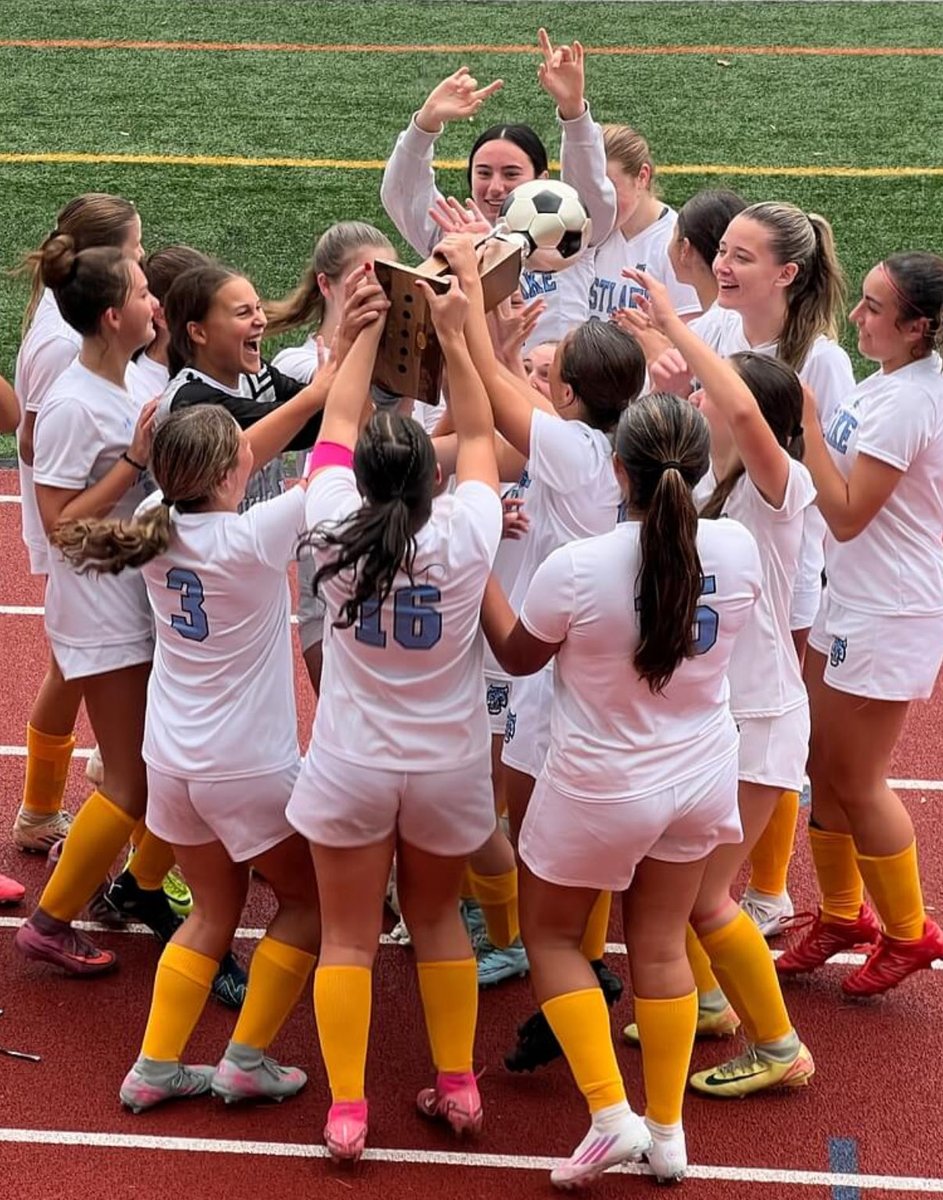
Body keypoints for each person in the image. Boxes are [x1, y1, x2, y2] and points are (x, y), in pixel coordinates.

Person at [483, 389, 761, 1185]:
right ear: (697, 470)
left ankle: (610, 1116)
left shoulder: (577, 566)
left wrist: (479, 565)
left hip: (600, 783)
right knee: (661, 944)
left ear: (616, 470)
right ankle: (667, 1133)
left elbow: (515, 656)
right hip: (701, 771)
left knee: (550, 939)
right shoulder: (738, 546)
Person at [50, 397, 329, 1111]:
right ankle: (245, 1060)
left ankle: (155, 1067)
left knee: (211, 913)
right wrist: (339, 375)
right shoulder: (255, 535)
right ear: (233, 471)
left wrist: (319, 384)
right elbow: (332, 458)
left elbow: (231, 457)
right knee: (307, 905)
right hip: (247, 765)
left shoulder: (155, 519)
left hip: (172, 763)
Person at [285, 243, 502, 1163]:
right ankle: (457, 1083)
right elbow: (481, 434)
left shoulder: (329, 521)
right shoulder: (466, 531)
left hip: (352, 762)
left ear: (363, 481)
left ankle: (347, 1110)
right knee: (441, 921)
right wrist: (458, 330)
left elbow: (337, 421)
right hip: (448, 762)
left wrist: (363, 333)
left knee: (347, 937)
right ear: (430, 479)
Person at [450, 232, 646, 1069]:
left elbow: (482, 389)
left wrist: (466, 290)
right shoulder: (636, 440)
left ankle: (571, 975)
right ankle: (588, 964)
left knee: (540, 854)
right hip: (617, 658)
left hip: (559, 661)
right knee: (589, 843)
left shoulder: (571, 448)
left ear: (565, 393)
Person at [622, 271, 815, 1099]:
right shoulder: (706, 489)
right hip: (719, 721)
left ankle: (779, 1045)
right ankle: (706, 1003)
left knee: (702, 896)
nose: (699, 400)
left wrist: (676, 326)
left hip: (760, 720)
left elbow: (736, 405)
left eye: (708, 394)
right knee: (672, 878)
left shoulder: (778, 491)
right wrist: (661, 364)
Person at [650, 201, 854, 936]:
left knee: (763, 737)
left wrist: (672, 332)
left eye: (741, 256)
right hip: (726, 552)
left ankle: (767, 890)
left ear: (786, 273)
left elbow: (814, 467)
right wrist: (663, 363)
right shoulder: (717, 327)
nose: (722, 267)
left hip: (780, 565)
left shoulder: (821, 363)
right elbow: (693, 409)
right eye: (723, 252)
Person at [777, 252, 943, 994]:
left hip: (887, 610)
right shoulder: (888, 382)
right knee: (819, 762)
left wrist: (808, 424)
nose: (856, 316)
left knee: (857, 779)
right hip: (851, 599)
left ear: (917, 327)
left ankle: (909, 932)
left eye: (874, 308)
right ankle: (844, 915)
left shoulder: (910, 401)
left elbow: (846, 515)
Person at [12, 193, 143, 857]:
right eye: (137, 252)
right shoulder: (66, 348)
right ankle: (56, 813)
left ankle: (46, 804)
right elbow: (32, 439)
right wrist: (129, 463)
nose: (145, 259)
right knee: (76, 663)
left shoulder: (77, 333)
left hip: (97, 534)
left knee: (71, 664)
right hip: (84, 538)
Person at [380, 31, 615, 348]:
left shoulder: (570, 232)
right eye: (483, 173)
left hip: (557, 376)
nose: (495, 187)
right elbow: (401, 193)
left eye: (511, 173)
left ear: (542, 179)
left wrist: (574, 113)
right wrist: (425, 124)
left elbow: (592, 194)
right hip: (477, 378)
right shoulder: (455, 235)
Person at [264, 220, 395, 691]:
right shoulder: (300, 366)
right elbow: (351, 415)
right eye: (364, 281)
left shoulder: (407, 364)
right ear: (326, 285)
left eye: (388, 280)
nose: (378, 294)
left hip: (404, 558)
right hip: (331, 573)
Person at [536, 38, 701, 323]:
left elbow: (693, 335)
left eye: (608, 187)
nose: (599, 198)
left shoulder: (674, 242)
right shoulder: (586, 233)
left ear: (642, 177)